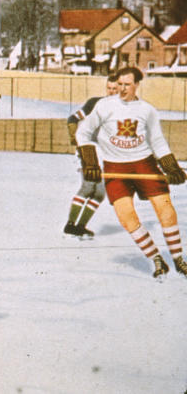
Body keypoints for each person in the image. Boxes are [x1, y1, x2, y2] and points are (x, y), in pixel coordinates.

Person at [76, 67, 187, 278]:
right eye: (119, 84)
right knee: (126, 217)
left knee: (166, 211)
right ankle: (156, 258)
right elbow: (83, 132)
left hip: (143, 163)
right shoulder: (105, 106)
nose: (122, 89)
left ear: (137, 84)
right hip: (115, 167)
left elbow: (157, 141)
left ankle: (179, 259)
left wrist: (171, 167)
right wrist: (90, 162)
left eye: (127, 84)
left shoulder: (147, 110)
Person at [64, 75, 119, 237]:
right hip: (89, 149)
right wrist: (74, 136)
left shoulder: (124, 108)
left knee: (100, 193)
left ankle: (80, 226)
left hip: (106, 153)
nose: (112, 92)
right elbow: (72, 118)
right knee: (88, 186)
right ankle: (70, 226)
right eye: (109, 88)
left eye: (115, 89)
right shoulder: (94, 103)